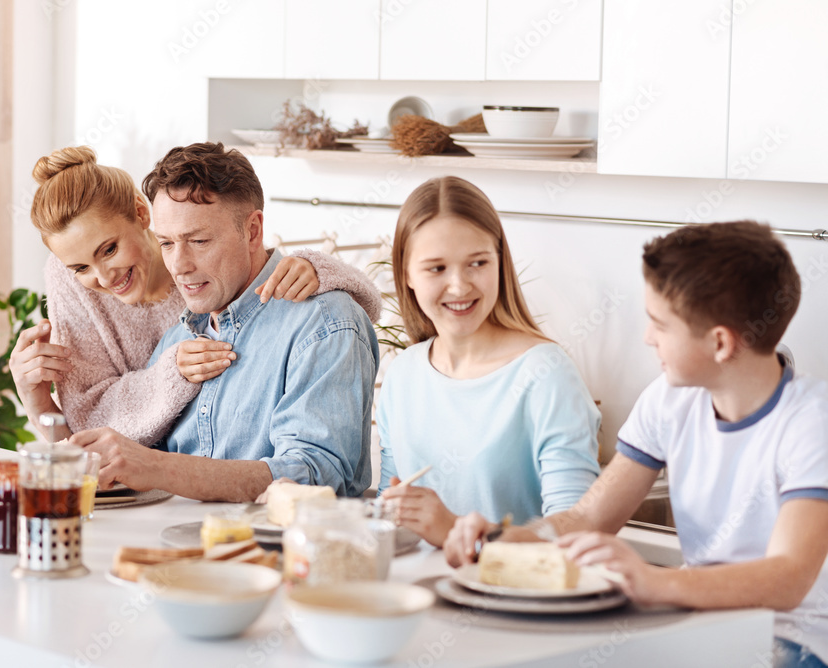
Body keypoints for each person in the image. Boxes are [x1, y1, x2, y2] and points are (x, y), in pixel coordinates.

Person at [445, 221, 828, 668]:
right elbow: (588, 518)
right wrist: (504, 540)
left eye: (660, 324)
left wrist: (653, 582)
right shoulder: (669, 400)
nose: (648, 337)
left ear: (720, 343)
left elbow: (787, 580)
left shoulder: (810, 422)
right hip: (700, 624)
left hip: (789, 641)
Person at [69, 142, 380, 503]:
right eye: (166, 243)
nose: (179, 266)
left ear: (252, 231)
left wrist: (159, 468)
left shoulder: (324, 324)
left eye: (198, 240)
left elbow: (316, 477)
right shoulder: (179, 338)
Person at [375, 176, 601, 548]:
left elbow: (576, 529)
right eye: (436, 268)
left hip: (513, 597)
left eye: (477, 263)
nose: (460, 286)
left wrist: (458, 533)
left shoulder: (546, 375)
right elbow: (391, 516)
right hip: (417, 592)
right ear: (406, 276)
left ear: (500, 263)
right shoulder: (403, 375)